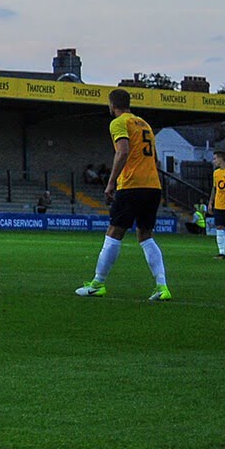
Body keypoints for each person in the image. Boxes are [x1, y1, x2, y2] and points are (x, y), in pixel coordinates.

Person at [75, 89, 172, 301]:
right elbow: (154, 160)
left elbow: (123, 151)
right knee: (145, 235)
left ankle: (97, 284)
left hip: (132, 185)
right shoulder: (144, 124)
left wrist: (111, 183)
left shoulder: (119, 123)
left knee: (114, 232)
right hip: (153, 186)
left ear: (112, 105)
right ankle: (162, 286)